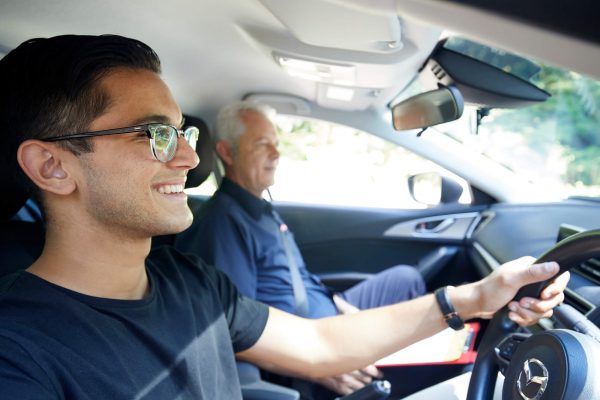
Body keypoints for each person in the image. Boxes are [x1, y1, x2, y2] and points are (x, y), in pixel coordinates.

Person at [0, 34, 568, 400]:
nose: (189, 157)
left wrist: (477, 296)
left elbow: (319, 347)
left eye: (184, 131)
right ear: (52, 167)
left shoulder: (191, 283)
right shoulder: (16, 348)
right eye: (155, 135)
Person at [173, 100, 429, 396]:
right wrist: (320, 368)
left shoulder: (259, 209)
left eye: (276, 143)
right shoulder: (222, 223)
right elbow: (230, 328)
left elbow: (298, 278)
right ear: (226, 152)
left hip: (324, 321)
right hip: (302, 349)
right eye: (262, 144)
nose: (276, 153)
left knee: (405, 280)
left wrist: (342, 309)